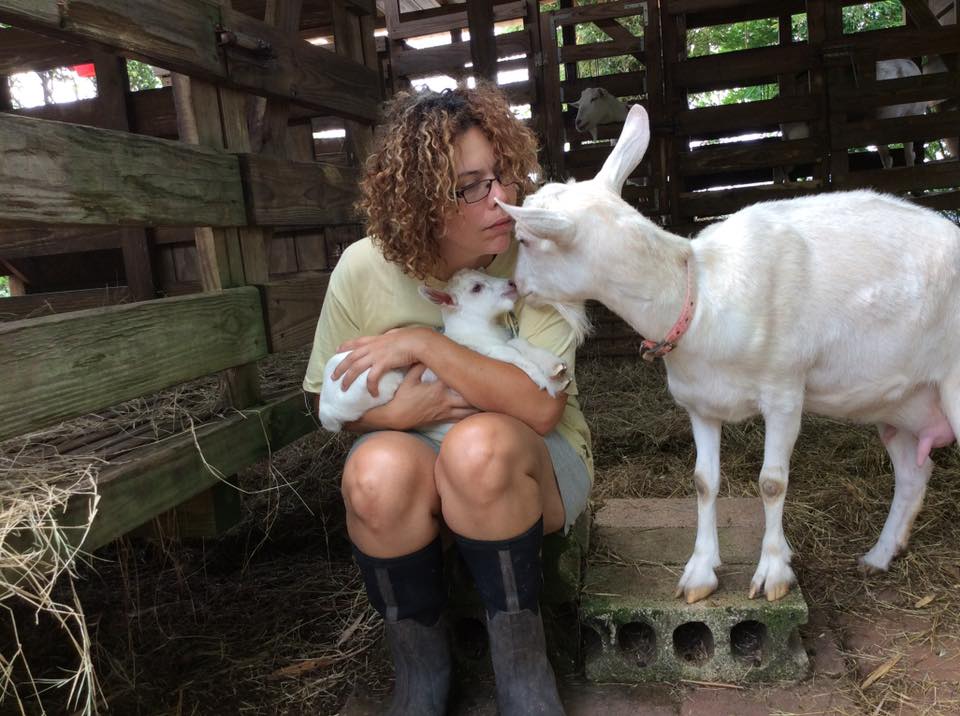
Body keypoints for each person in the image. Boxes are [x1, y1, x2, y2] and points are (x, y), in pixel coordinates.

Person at [302, 83, 593, 716]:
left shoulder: (539, 256)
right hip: (414, 465)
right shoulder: (361, 269)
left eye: (504, 177)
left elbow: (540, 408)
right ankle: (421, 670)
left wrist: (421, 345)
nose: (502, 201)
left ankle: (522, 668)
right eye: (471, 187)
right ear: (420, 199)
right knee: (373, 471)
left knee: (478, 447)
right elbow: (326, 396)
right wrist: (396, 415)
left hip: (532, 462)